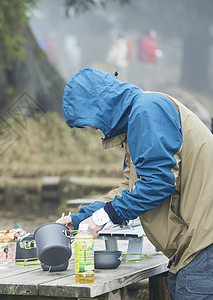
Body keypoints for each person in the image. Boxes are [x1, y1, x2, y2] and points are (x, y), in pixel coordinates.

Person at [58, 67, 213, 299]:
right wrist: (81, 218)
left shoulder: (147, 110)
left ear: (100, 105)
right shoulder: (138, 120)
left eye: (88, 121)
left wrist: (101, 219)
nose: (93, 129)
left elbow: (158, 183)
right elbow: (131, 190)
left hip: (203, 245)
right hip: (191, 250)